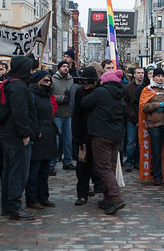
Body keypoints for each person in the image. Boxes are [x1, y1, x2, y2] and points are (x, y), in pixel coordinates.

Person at [0, 55, 38, 221]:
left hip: (8, 133)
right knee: (17, 172)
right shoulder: (18, 86)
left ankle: (8, 206)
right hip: (16, 135)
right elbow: (19, 112)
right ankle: (14, 206)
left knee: (9, 170)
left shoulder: (10, 83)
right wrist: (25, 133)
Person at [81, 69, 127, 214]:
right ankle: (108, 199)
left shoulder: (101, 92)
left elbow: (84, 103)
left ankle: (115, 197)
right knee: (111, 167)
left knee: (103, 167)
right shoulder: (120, 94)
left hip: (101, 134)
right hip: (116, 135)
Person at [26, 71, 58, 210]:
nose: (48, 83)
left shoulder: (47, 94)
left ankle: (43, 196)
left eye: (49, 81)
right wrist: (35, 131)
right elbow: (30, 114)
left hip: (48, 133)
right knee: (34, 170)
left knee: (44, 169)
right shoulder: (32, 94)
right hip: (38, 134)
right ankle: (32, 198)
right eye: (45, 81)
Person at [72, 67, 104, 205]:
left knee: (100, 165)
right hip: (84, 134)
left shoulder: (99, 92)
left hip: (98, 133)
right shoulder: (79, 92)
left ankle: (101, 188)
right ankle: (82, 194)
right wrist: (77, 136)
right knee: (82, 167)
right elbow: (76, 114)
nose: (85, 84)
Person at [140, 68, 164, 187]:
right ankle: (157, 176)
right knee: (156, 151)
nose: (160, 78)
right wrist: (157, 105)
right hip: (153, 124)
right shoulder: (147, 90)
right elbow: (144, 106)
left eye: (162, 76)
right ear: (153, 77)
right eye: (158, 76)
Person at [51, 61, 75, 172]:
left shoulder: (71, 80)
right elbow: (51, 96)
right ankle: (52, 162)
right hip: (57, 114)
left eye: (67, 66)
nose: (65, 68)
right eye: (63, 66)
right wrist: (62, 98)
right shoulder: (53, 80)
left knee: (68, 140)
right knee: (55, 140)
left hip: (68, 113)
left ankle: (67, 161)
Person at [123, 66, 146, 172]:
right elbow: (126, 103)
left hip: (143, 117)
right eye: (138, 73)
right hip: (131, 118)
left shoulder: (146, 86)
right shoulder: (128, 87)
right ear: (134, 74)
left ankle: (137, 161)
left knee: (140, 141)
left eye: (142, 73)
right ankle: (129, 161)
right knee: (131, 141)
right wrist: (131, 114)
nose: (141, 75)